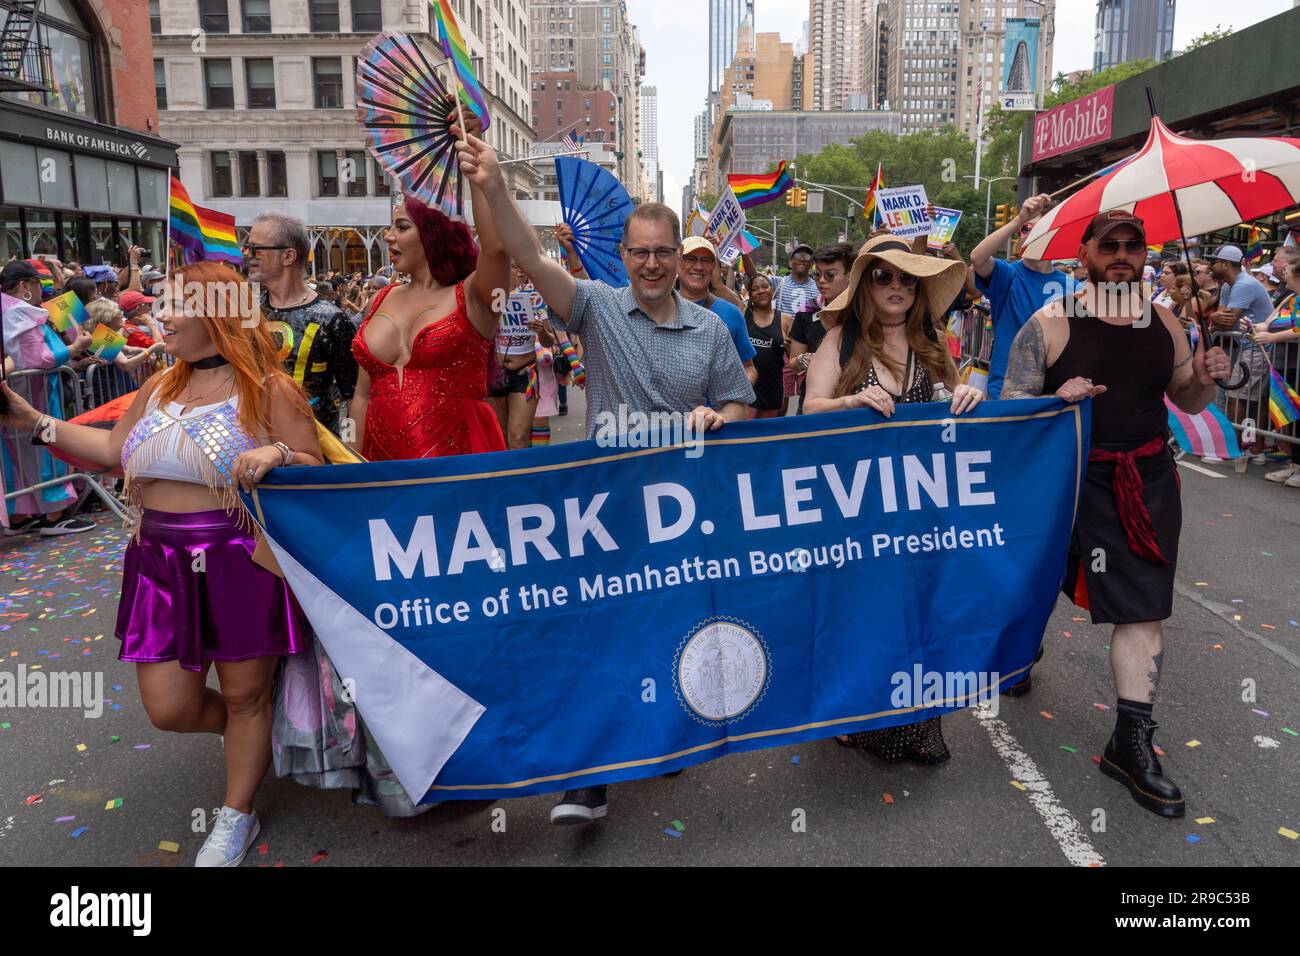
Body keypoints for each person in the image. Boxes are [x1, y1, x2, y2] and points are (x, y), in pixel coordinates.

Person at [454, 129, 754, 826]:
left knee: (673, 628)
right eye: (639, 251)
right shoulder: (591, 306)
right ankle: (587, 779)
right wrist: (493, 183)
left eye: (662, 252)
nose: (651, 263)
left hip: (682, 510)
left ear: (681, 257)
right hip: (606, 508)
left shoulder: (712, 331)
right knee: (598, 631)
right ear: (622, 256)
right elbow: (526, 254)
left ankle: (668, 731)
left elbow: (740, 401)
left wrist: (722, 416)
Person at [1, 260, 323, 866]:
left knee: (246, 695)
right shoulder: (160, 386)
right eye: (162, 302)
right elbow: (108, 451)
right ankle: (258, 736)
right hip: (158, 559)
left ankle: (236, 814)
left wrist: (277, 452)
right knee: (169, 707)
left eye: (176, 304)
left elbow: (314, 465)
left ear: (218, 315)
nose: (159, 314)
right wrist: (31, 419)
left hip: (238, 556)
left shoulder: (267, 388)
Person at [1000, 210, 1232, 818]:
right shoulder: (1050, 323)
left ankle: (1129, 738)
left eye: (1134, 245)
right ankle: (1019, 652)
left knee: (1143, 602)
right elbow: (1011, 409)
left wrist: (1208, 379)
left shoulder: (1166, 322)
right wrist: (1056, 399)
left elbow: (1185, 395)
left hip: (1146, 479)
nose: (1123, 254)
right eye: (1111, 245)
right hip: (1065, 480)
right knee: (1041, 580)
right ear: (1086, 254)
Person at [802, 234, 984, 763]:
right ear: (865, 284)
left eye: (908, 278)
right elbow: (810, 409)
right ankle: (859, 712)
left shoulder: (933, 342)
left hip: (923, 510)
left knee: (921, 610)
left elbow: (957, 401)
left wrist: (971, 396)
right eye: (885, 275)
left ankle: (920, 719)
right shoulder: (841, 342)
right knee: (863, 612)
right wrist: (852, 400)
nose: (897, 286)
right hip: (854, 508)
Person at [351, 180, 509, 460]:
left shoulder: (473, 296)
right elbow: (362, 396)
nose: (388, 236)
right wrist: (348, 461)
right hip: (382, 470)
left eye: (401, 227)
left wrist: (479, 177)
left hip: (458, 468)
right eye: (390, 227)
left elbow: (496, 250)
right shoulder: (378, 300)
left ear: (434, 233)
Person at [1, 260, 95, 536]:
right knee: (47, 449)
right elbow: (35, 358)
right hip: (35, 396)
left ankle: (19, 516)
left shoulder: (13, 309)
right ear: (24, 286)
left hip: (23, 395)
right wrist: (76, 347)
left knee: (19, 455)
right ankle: (54, 516)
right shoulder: (18, 312)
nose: (43, 291)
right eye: (38, 285)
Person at [245, 212, 358, 436]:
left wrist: (349, 456)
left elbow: (352, 395)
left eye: (257, 249)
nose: (248, 255)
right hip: (251, 444)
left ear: (288, 256)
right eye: (247, 248)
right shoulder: (247, 310)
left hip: (315, 455)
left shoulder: (332, 320)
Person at [970, 193, 1077, 399]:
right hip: (1007, 394)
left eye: (1040, 228)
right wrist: (1020, 219)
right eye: (1026, 229)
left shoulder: (1073, 287)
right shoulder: (1007, 275)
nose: (1032, 233)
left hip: (1055, 396)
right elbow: (977, 257)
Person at [677, 237, 757, 383]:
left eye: (706, 260)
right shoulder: (659, 309)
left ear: (714, 267)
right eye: (690, 258)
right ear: (677, 262)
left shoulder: (731, 313)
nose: (698, 267)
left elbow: (749, 368)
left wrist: (734, 398)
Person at [788, 243, 855, 408]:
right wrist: (807, 360)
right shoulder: (806, 313)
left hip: (853, 401)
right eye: (817, 274)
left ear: (850, 275)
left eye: (830, 275)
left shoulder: (863, 313)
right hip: (815, 403)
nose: (822, 281)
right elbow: (793, 363)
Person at [1254, 258, 1300, 488]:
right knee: (1291, 415)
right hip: (1284, 363)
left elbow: (1298, 327)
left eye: (1288, 271)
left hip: (1296, 363)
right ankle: (1295, 463)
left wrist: (1272, 337)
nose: (1284, 275)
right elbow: (1268, 323)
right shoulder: (1290, 298)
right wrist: (1252, 326)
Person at [488, 267, 541, 450]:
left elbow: (549, 340)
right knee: (499, 438)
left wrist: (541, 330)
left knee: (519, 437)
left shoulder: (535, 298)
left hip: (524, 373)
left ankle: (524, 478)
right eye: (514, 266)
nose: (520, 271)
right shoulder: (488, 295)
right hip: (494, 374)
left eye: (523, 266)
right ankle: (505, 478)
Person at [745, 273, 786, 419]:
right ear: (749, 294)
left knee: (767, 438)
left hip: (772, 391)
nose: (761, 291)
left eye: (764, 286)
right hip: (747, 391)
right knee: (746, 438)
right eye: (755, 289)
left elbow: (792, 362)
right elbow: (719, 286)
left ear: (772, 289)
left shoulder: (786, 320)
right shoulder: (743, 314)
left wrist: (785, 395)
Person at [773, 244, 820, 316]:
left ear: (811, 264)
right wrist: (748, 257)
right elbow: (755, 279)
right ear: (790, 262)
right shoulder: (778, 283)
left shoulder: (818, 287)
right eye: (797, 256)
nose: (802, 259)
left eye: (807, 257)